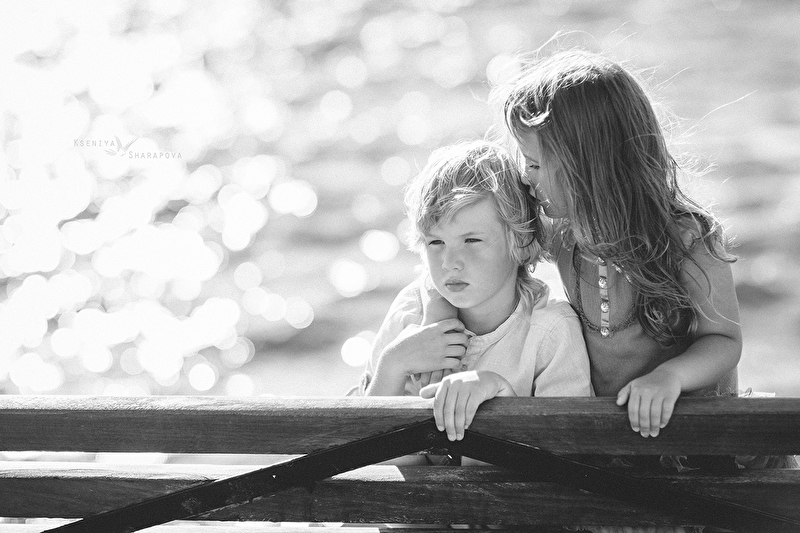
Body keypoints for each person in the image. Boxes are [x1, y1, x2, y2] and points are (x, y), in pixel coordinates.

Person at [490, 48, 742, 441]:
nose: (523, 175)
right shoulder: (561, 233)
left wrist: (670, 376)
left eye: (535, 164)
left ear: (588, 166)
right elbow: (480, 252)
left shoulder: (687, 240)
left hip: (693, 439)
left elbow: (724, 340)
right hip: (614, 439)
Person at [352, 140, 592, 444]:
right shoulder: (410, 315)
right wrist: (393, 365)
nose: (450, 262)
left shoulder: (551, 332)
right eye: (436, 242)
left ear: (521, 241)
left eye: (471, 241)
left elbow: (570, 450)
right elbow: (362, 453)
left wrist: (501, 395)